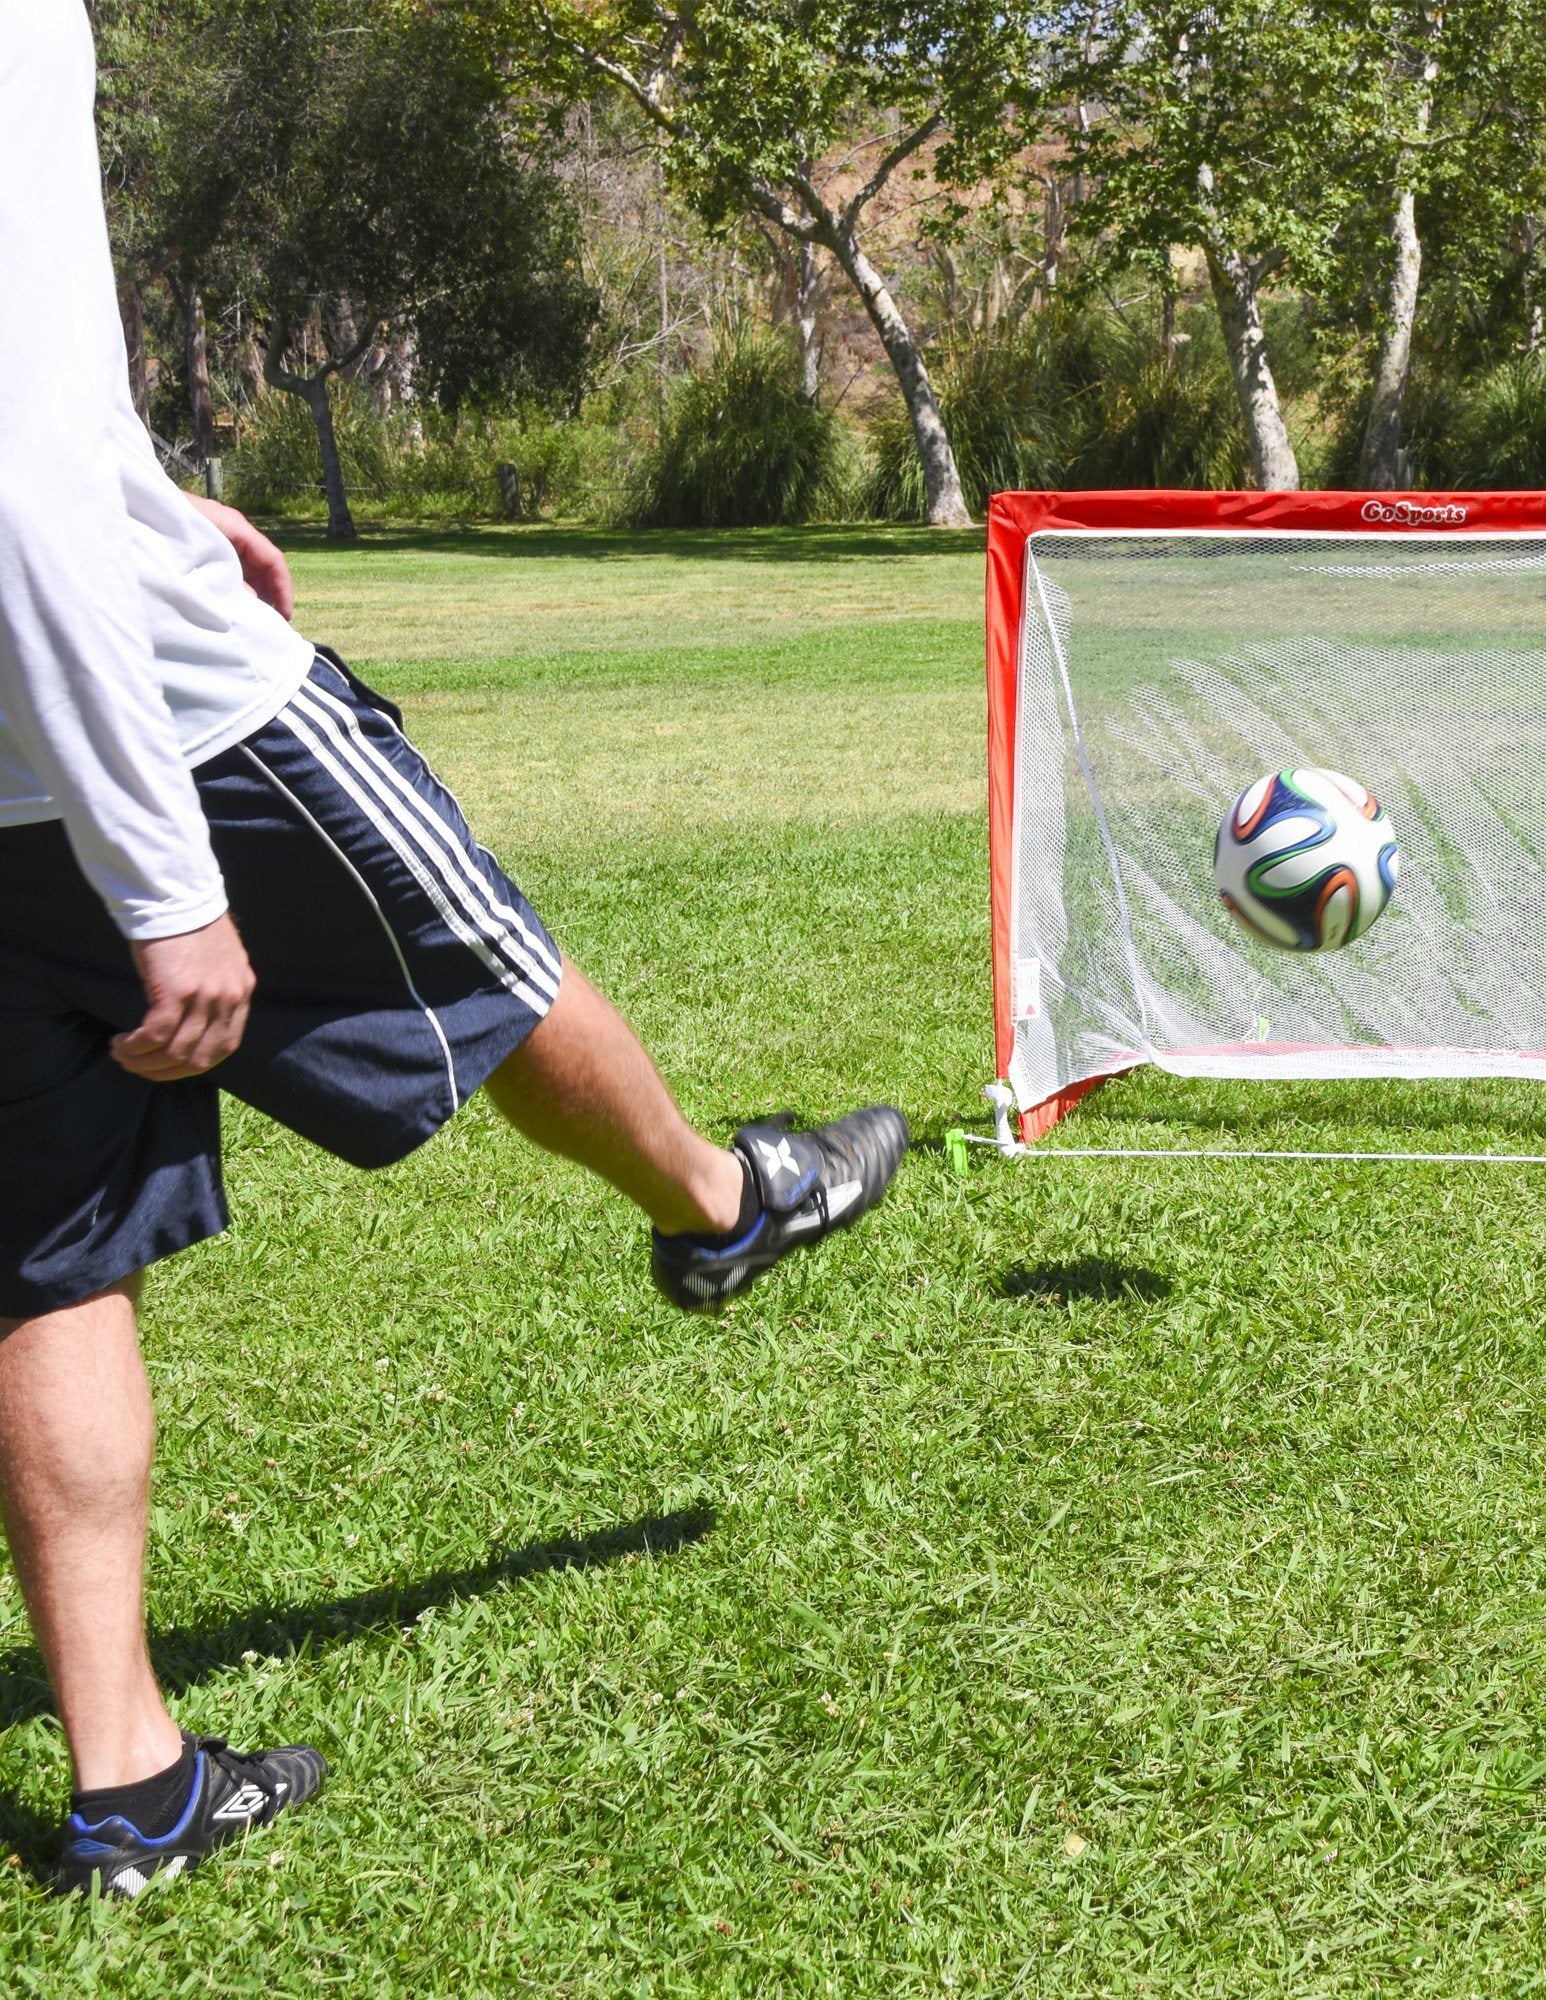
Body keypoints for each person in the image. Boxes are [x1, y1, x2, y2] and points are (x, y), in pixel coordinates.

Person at [0, 3, 907, 1899]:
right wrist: (159, 871)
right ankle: (723, 1200)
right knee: (480, 953)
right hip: (175, 727)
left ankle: (132, 1789)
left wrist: (151, 499)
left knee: (47, 1253)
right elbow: (9, 467)